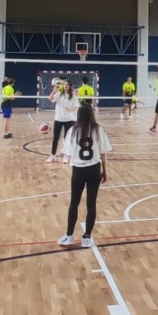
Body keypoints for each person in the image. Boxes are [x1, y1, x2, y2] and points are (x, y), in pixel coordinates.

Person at [58, 102, 111, 248]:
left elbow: (67, 154)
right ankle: (87, 237)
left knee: (74, 203)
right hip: (94, 170)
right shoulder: (99, 129)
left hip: (78, 170)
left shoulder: (73, 130)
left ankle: (69, 236)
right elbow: (103, 153)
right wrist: (104, 172)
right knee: (91, 204)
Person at [47, 80, 79, 164]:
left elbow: (76, 107)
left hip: (69, 120)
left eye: (67, 84)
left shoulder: (73, 96)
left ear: (70, 86)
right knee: (55, 138)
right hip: (58, 119)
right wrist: (54, 91)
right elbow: (50, 99)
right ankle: (52, 156)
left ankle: (66, 156)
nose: (66, 85)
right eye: (64, 84)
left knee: (66, 139)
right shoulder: (59, 94)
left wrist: (71, 109)